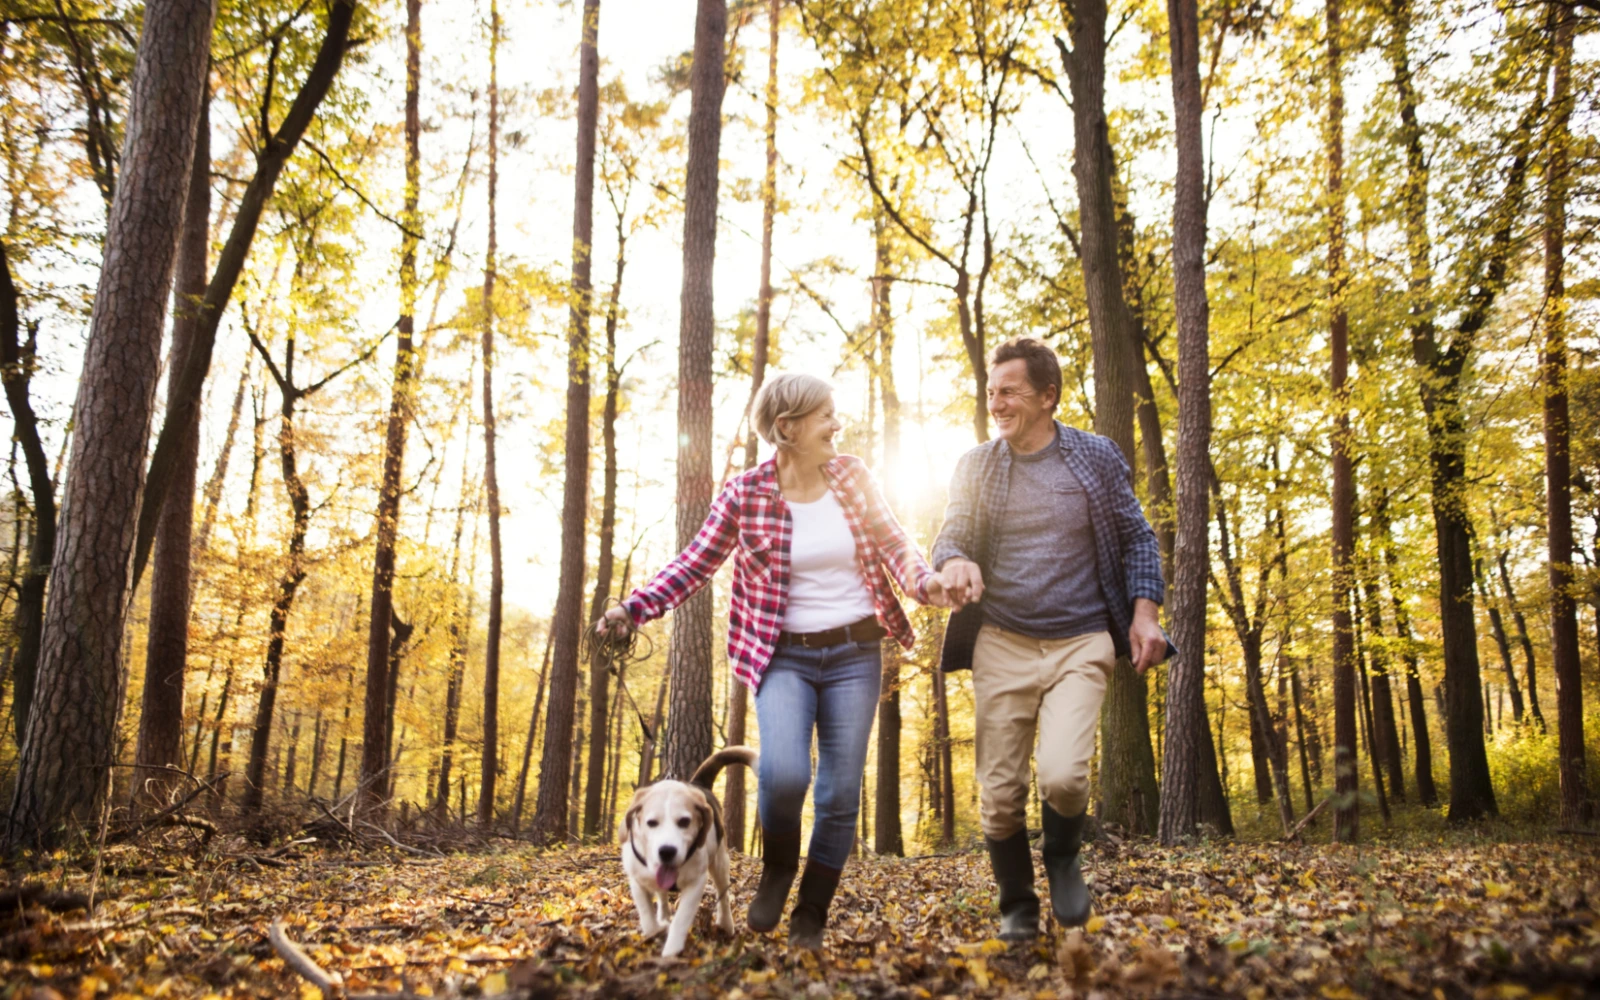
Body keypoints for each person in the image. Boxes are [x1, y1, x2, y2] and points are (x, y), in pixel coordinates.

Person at [600, 372, 948, 948]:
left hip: (856, 652)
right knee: (784, 775)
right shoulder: (745, 494)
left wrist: (928, 583)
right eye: (825, 416)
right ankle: (780, 865)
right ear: (787, 428)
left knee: (838, 794)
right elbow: (694, 563)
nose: (838, 425)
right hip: (782, 655)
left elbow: (895, 544)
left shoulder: (853, 476)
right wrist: (633, 609)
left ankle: (811, 906)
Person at [931, 337, 1174, 942]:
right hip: (1002, 641)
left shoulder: (1094, 457)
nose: (998, 403)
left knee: (1064, 775)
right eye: (992, 393)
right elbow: (952, 532)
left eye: (1009, 391)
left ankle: (1063, 858)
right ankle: (1016, 900)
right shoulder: (978, 465)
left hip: (1081, 639)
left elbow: (1138, 538)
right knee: (1001, 791)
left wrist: (1144, 615)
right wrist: (956, 560)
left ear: (1048, 396)